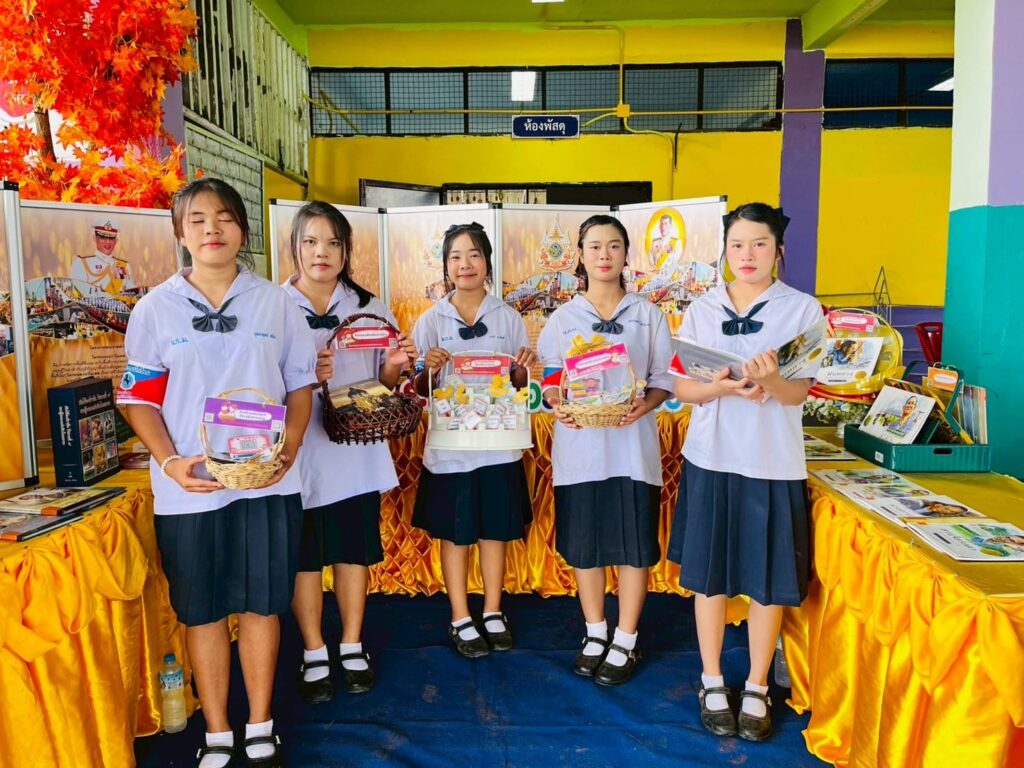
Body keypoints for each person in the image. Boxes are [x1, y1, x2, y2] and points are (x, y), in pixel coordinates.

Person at [115, 178, 317, 768]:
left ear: (243, 231)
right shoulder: (154, 309)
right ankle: (219, 729)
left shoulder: (276, 303)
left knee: (261, 605)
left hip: (266, 485)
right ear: (180, 233)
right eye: (198, 219)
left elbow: (301, 384)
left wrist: (290, 446)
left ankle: (260, 723)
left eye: (225, 217)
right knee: (201, 610)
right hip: (190, 490)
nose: (212, 229)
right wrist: (169, 462)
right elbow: (138, 399)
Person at [668, 202, 821, 742]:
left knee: (766, 580)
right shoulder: (702, 307)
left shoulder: (802, 310)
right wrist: (722, 387)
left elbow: (798, 394)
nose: (747, 254)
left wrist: (771, 381)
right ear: (725, 250)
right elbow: (683, 388)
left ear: (779, 249)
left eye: (759, 244)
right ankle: (711, 678)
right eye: (737, 244)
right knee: (708, 577)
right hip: (710, 458)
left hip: (772, 463)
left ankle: (756, 685)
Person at [283, 201, 416, 703]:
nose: (321, 252)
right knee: (305, 557)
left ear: (346, 251)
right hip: (298, 451)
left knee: (352, 550)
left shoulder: (370, 307)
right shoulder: (275, 307)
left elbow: (386, 381)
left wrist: (395, 364)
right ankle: (314, 649)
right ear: (295, 247)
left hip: (354, 449)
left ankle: (352, 643)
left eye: (332, 243)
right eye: (311, 241)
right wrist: (304, 376)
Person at [538, 214, 674, 687]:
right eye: (594, 246)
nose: (603, 255)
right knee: (586, 547)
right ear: (579, 255)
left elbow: (664, 377)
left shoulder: (648, 315)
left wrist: (645, 406)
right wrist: (557, 401)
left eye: (613, 246)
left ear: (625, 254)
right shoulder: (563, 317)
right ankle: (595, 631)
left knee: (634, 549)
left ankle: (626, 638)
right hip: (581, 451)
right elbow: (551, 375)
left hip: (632, 450)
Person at [411, 222, 536, 659]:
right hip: (451, 448)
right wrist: (428, 368)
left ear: (487, 262)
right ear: (445, 266)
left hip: (498, 444)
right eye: (455, 257)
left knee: (494, 531)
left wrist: (522, 369)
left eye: (474, 255)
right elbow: (418, 390)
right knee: (456, 533)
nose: (465, 264)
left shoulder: (509, 318)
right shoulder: (430, 321)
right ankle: (461, 616)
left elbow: (521, 384)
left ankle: (494, 610)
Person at [71, 219, 136, 292]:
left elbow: (131, 293)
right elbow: (77, 293)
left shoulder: (125, 265)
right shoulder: (81, 262)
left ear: (116, 241)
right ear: (95, 239)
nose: (108, 242)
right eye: (103, 237)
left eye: (111, 238)